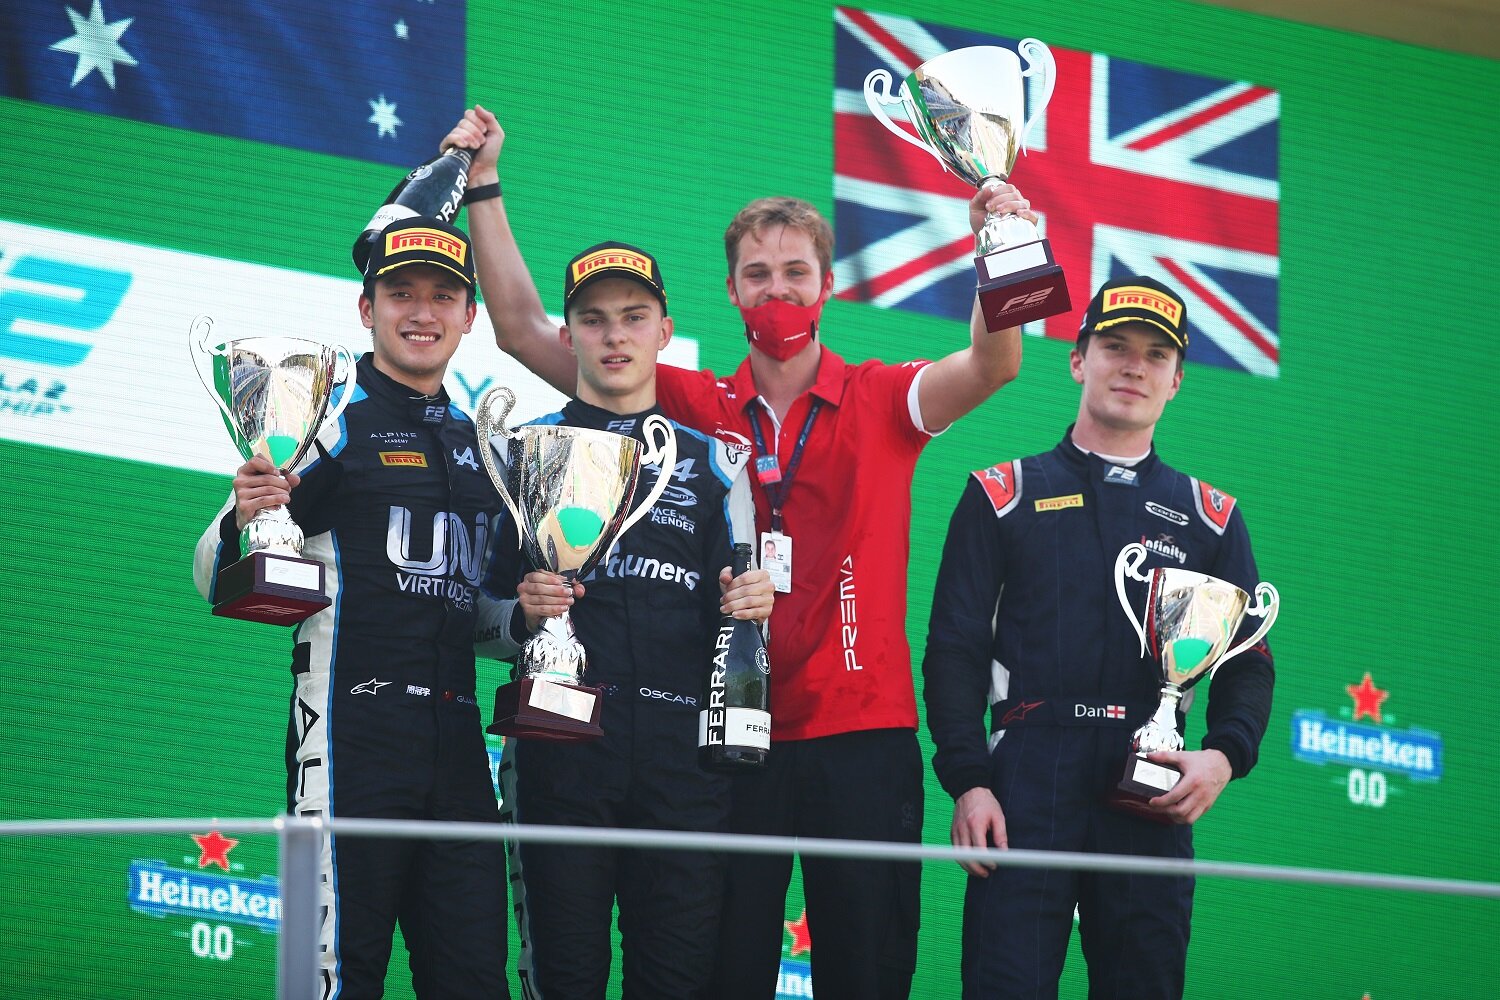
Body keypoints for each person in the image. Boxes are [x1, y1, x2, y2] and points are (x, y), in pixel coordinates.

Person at [443, 102, 1029, 1000]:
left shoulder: (883, 399)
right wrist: (483, 184)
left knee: (868, 977)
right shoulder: (681, 400)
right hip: (728, 743)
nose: (779, 292)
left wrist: (1004, 245)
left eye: (797, 273)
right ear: (731, 292)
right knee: (725, 979)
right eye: (758, 276)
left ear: (828, 286)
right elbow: (523, 329)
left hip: (861, 736)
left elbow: (994, 367)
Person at [921, 275, 1276, 999]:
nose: (1132, 366)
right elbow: (952, 650)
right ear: (1078, 359)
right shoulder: (1002, 492)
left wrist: (1224, 756)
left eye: (1154, 355)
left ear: (1176, 381)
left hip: (1153, 782)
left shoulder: (1211, 518)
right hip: (1026, 776)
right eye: (1114, 346)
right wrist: (970, 780)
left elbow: (1248, 663)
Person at [193, 216, 514, 1000]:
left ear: (470, 317)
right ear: (365, 308)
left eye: (443, 296)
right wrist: (244, 515)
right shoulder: (325, 423)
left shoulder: (483, 448)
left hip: (460, 750)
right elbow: (212, 573)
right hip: (346, 739)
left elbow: (483, 622)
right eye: (400, 293)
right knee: (334, 977)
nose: (422, 312)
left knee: (474, 980)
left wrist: (538, 621)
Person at [488, 241, 773, 999]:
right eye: (594, 319)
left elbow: (746, 624)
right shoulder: (524, 453)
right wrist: (519, 617)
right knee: (564, 976)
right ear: (568, 336)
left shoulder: (715, 466)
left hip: (685, 770)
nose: (614, 336)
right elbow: (475, 619)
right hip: (560, 757)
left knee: (675, 982)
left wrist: (754, 607)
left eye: (633, 318)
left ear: (665, 331)